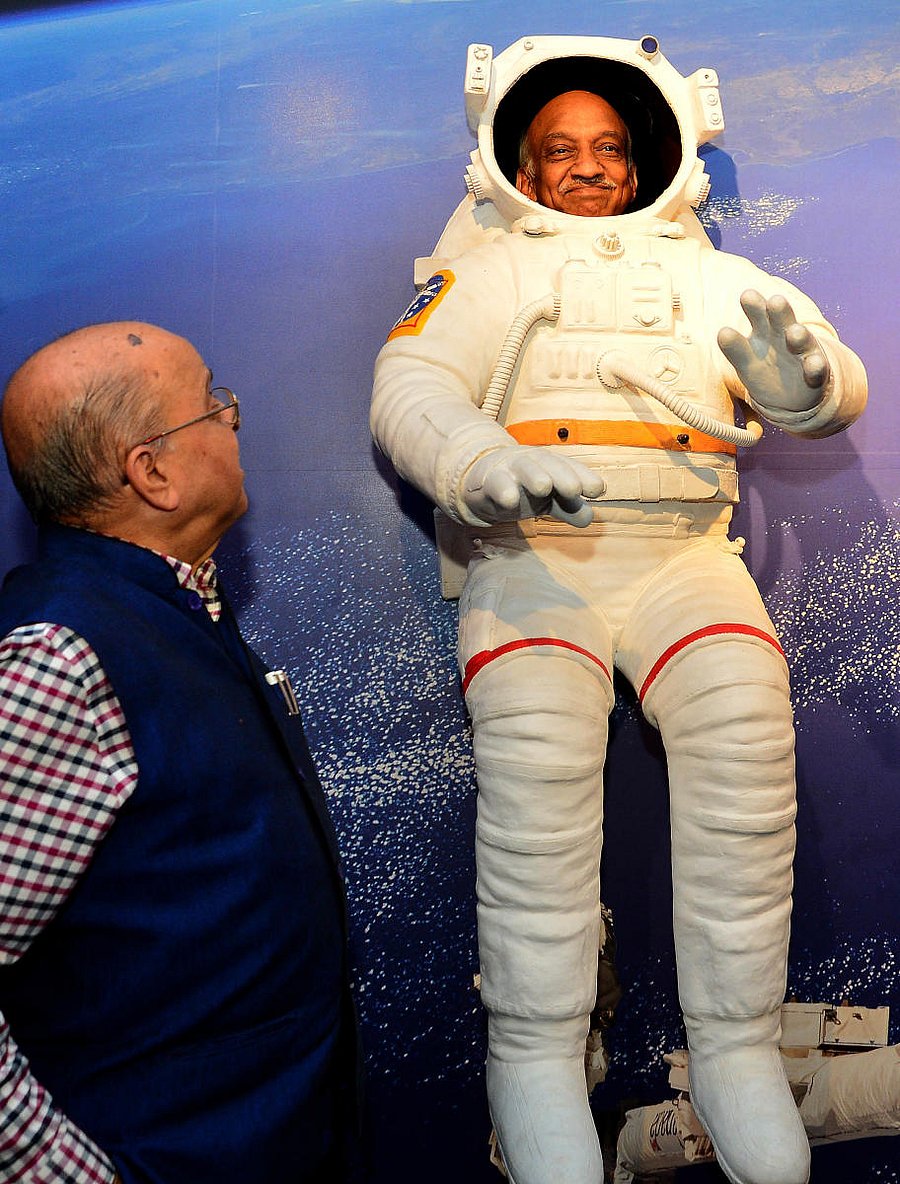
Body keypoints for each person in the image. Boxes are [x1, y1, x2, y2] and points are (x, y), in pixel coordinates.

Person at [370, 34, 867, 1184]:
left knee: (747, 738)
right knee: (538, 794)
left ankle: (737, 1049)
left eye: (606, 147)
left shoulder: (700, 271)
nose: (587, 168)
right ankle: (536, 1061)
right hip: (533, 560)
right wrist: (474, 460)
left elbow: (822, 362)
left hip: (683, 555)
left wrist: (810, 389)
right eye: (560, 150)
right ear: (522, 169)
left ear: (647, 156)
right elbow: (410, 385)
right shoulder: (486, 270)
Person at [0, 322, 359, 1184]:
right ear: (149, 470)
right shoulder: (59, 657)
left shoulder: (173, 610)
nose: (233, 421)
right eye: (212, 406)